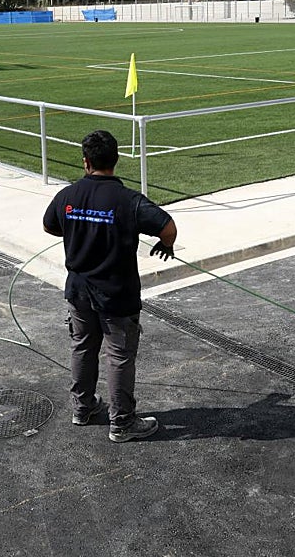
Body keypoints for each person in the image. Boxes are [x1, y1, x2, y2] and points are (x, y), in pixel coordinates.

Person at [43, 129, 178, 442]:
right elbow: (167, 226)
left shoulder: (68, 195)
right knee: (118, 357)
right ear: (115, 160)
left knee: (82, 347)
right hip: (117, 295)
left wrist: (79, 229)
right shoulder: (127, 200)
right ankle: (122, 423)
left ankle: (83, 408)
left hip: (78, 292)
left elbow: (50, 226)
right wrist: (166, 245)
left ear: (86, 162)